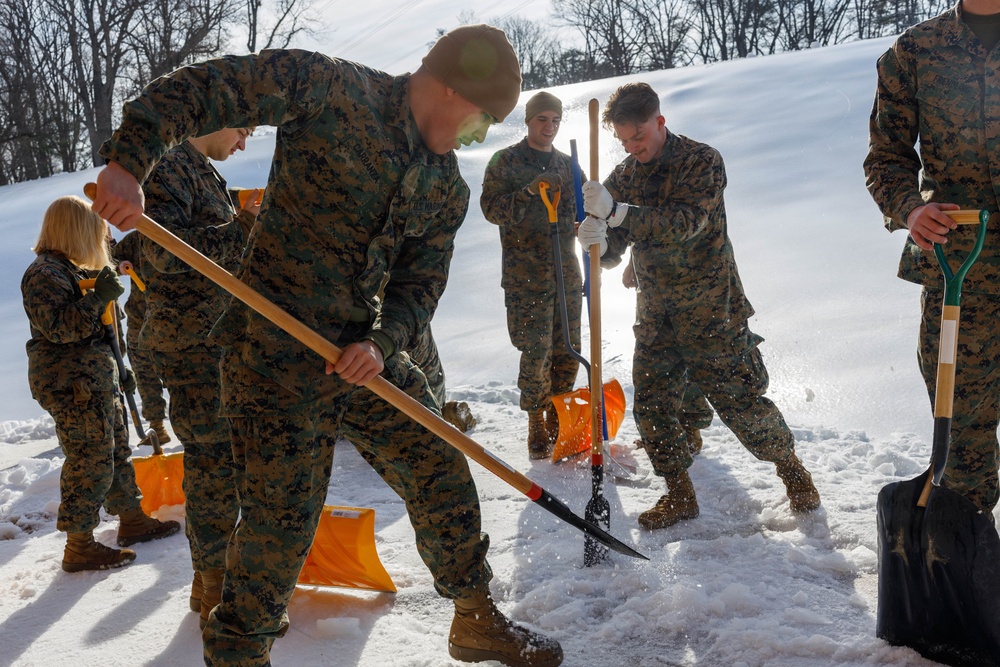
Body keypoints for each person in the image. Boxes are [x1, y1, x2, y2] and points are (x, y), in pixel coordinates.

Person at [90, 24, 562, 667]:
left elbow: (420, 285)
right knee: (277, 530)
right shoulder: (331, 90)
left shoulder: (443, 185)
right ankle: (236, 655)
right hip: (272, 353)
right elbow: (208, 88)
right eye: (483, 122)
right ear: (454, 88)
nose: (476, 139)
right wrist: (128, 162)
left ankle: (474, 617)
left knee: (436, 463)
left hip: (359, 357)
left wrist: (382, 340)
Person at [578, 82, 821, 530]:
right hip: (656, 315)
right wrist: (596, 240)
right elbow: (613, 246)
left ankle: (791, 469)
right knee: (652, 406)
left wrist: (617, 215)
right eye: (625, 141)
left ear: (659, 121)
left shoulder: (701, 161)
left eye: (640, 137)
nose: (634, 148)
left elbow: (687, 222)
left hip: (712, 312)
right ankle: (679, 493)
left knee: (740, 403)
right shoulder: (625, 175)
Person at [864, 0, 1000, 515]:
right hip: (962, 271)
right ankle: (969, 563)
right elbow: (887, 157)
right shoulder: (914, 52)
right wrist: (910, 210)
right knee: (962, 430)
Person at [21, 196, 180, 572]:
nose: (102, 238)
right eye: (96, 230)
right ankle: (79, 545)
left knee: (115, 452)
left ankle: (132, 520)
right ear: (76, 230)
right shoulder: (44, 274)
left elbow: (99, 329)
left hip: (95, 378)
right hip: (72, 384)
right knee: (89, 459)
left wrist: (118, 368)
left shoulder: (70, 271)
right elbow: (60, 329)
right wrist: (98, 299)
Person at [139, 127, 257, 627]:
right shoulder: (168, 168)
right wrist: (241, 228)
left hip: (211, 340)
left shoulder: (200, 171)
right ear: (219, 117)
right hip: (195, 347)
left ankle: (207, 582)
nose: (244, 144)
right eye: (243, 130)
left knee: (220, 466)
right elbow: (162, 251)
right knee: (215, 468)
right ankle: (218, 591)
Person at [481, 91, 582, 459]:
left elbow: (583, 214)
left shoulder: (569, 166)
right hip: (527, 275)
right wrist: (527, 193)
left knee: (569, 346)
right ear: (528, 121)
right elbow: (492, 209)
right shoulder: (505, 162)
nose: (550, 127)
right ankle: (536, 419)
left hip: (566, 272)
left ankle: (559, 414)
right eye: (543, 119)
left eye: (555, 120)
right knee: (536, 349)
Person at [621, 256, 714, 456]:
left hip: (686, 277)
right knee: (658, 361)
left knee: (686, 354)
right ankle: (661, 434)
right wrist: (634, 261)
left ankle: (688, 429)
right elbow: (641, 226)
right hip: (653, 286)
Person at [112, 231, 171, 445]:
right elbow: (107, 260)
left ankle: (201, 425)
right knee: (144, 372)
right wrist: (117, 260)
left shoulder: (179, 233)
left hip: (177, 319)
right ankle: (157, 426)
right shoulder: (136, 239)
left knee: (184, 372)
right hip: (141, 318)